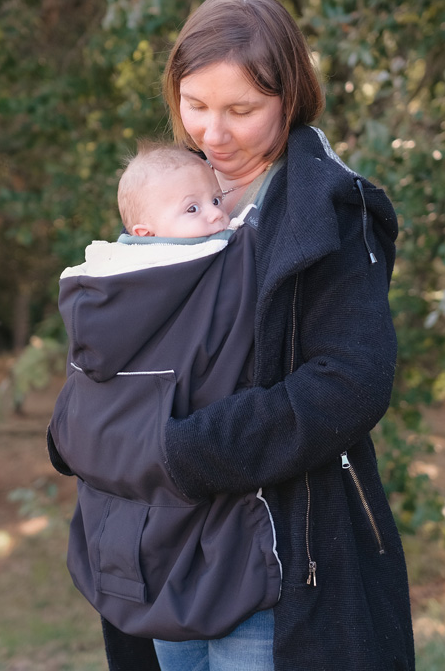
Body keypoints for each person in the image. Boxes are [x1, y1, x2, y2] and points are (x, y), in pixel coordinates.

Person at [98, 0, 416, 671]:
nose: (213, 134)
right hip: (164, 559)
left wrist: (178, 452)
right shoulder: (168, 197)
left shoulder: (330, 211)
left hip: (280, 564)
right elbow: (107, 360)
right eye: (196, 106)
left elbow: (347, 385)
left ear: (289, 97)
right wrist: (82, 437)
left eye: (242, 109)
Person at [47, 141, 283, 642]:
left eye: (216, 201)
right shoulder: (197, 271)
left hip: (139, 539)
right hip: (202, 524)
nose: (217, 217)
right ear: (145, 234)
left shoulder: (101, 290)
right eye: (193, 209)